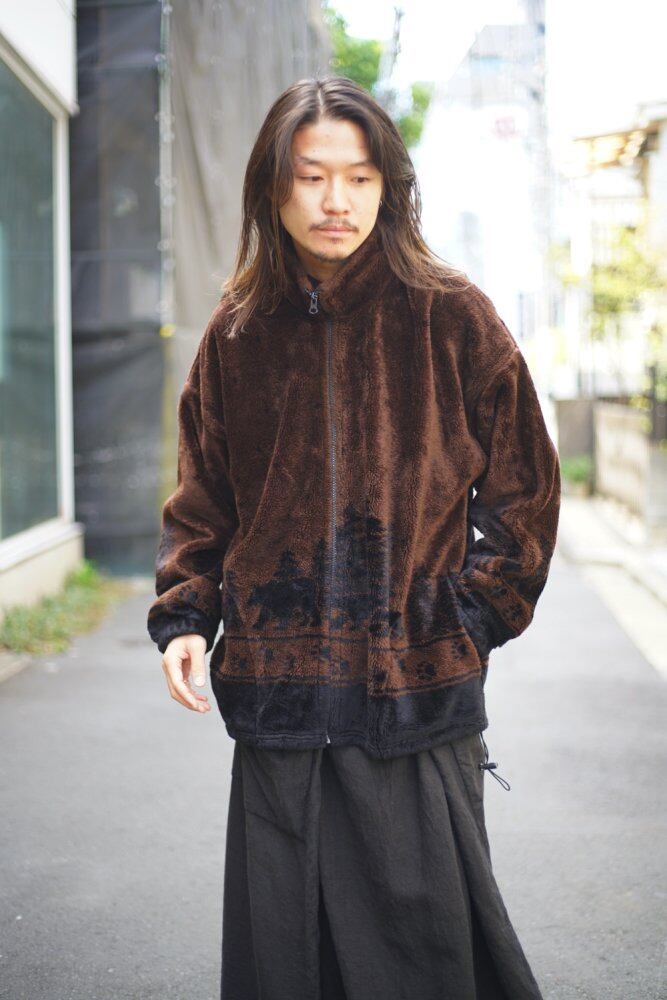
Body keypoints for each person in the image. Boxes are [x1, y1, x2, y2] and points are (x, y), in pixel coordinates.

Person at [147, 75, 560, 1000]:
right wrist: (185, 616)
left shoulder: (450, 315)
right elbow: (203, 500)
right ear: (273, 188)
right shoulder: (237, 334)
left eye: (360, 177)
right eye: (312, 176)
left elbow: (525, 493)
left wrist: (467, 619)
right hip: (279, 695)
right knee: (286, 955)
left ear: (389, 187)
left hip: (415, 693)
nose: (336, 200)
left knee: (429, 952)